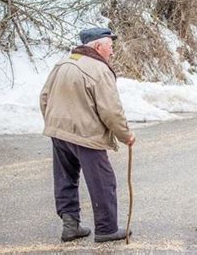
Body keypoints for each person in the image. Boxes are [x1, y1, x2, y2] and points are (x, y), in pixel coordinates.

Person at [39, 27, 136, 243]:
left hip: (59, 131)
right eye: (110, 47)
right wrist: (125, 135)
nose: (112, 52)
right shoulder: (99, 70)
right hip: (85, 134)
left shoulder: (62, 64)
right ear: (98, 46)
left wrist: (54, 122)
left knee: (66, 179)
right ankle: (107, 229)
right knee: (103, 181)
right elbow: (111, 110)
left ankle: (70, 226)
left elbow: (44, 96)